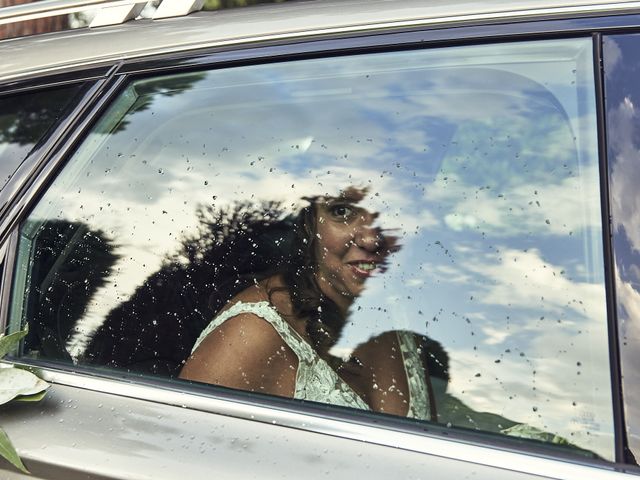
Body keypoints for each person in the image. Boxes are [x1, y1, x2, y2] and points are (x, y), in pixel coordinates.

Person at [180, 186, 433, 415]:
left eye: (391, 209)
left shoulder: (400, 312)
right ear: (310, 222)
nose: (371, 239)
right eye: (342, 211)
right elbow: (176, 453)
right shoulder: (251, 335)